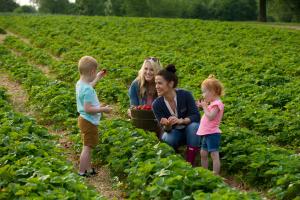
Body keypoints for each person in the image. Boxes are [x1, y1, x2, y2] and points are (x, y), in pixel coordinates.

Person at [152, 64, 200, 166]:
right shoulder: (157, 104)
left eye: (160, 83)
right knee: (168, 138)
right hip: (174, 132)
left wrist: (181, 120)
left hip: (189, 131)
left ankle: (190, 162)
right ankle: (173, 162)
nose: (156, 86)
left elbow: (196, 116)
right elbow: (164, 129)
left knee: (194, 126)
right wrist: (167, 125)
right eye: (155, 83)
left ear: (170, 83)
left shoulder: (185, 95)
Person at [76, 56, 112, 177]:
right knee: (87, 147)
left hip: (83, 119)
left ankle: (89, 169)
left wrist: (98, 77)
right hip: (89, 121)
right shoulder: (88, 90)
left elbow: (89, 84)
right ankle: (82, 171)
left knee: (88, 145)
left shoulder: (80, 84)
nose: (96, 73)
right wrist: (103, 109)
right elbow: (88, 109)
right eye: (95, 72)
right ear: (91, 71)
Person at [196, 75, 224, 175]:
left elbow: (211, 116)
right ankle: (205, 172)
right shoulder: (212, 103)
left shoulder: (217, 104)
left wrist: (204, 107)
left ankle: (215, 174)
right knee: (203, 153)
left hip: (212, 133)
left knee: (214, 154)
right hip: (207, 133)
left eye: (204, 91)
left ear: (213, 91)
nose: (203, 94)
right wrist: (203, 105)